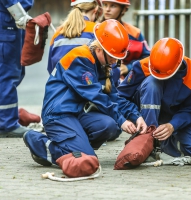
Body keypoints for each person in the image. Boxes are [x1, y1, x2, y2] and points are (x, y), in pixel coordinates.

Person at [23, 19, 147, 177]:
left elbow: (114, 97)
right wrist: (122, 120)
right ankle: (40, 143)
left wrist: (136, 117)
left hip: (78, 113)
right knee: (88, 161)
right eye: (112, 57)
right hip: (59, 114)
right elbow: (97, 96)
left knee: (110, 126)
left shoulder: (103, 63)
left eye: (117, 58)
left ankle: (73, 143)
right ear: (100, 49)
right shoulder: (80, 58)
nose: (115, 62)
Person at [117, 37, 191, 165]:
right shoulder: (142, 66)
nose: (161, 78)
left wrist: (173, 125)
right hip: (145, 115)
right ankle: (147, 140)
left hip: (175, 118)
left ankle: (162, 143)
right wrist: (135, 116)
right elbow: (120, 97)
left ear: (178, 66)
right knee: (152, 83)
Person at [0, 0, 34, 138]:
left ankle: (7, 118)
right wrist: (18, 13)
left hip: (11, 14)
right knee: (5, 70)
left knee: (14, 70)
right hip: (6, 13)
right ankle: (6, 124)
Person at [101, 0, 150, 86]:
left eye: (113, 6)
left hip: (128, 82)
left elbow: (148, 57)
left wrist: (129, 67)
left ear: (123, 9)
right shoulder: (95, 30)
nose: (107, 9)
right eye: (105, 5)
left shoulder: (135, 33)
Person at [47, 0, 103, 74]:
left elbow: (51, 68)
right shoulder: (98, 30)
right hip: (88, 84)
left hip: (59, 84)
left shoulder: (57, 33)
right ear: (95, 10)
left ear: (74, 7)